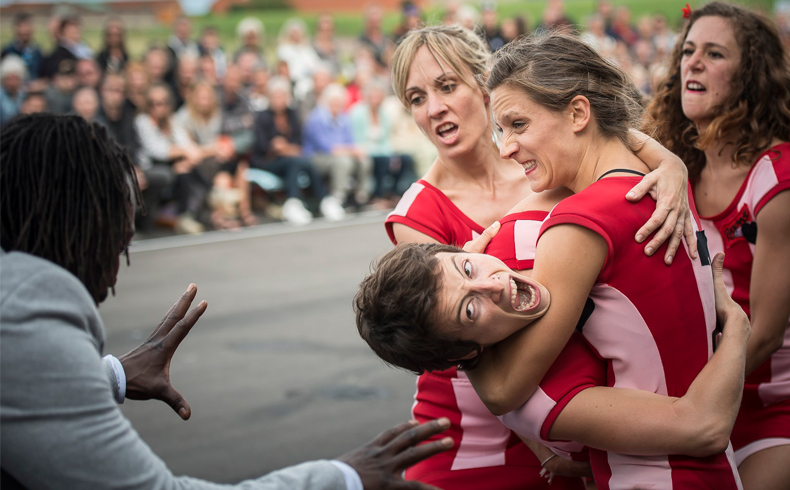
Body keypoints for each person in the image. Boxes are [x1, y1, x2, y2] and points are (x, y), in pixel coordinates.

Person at [0, 113, 453, 490]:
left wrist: (111, 374)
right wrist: (344, 476)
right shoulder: (25, 314)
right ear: (78, 222)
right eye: (120, 228)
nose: (125, 248)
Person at [383, 24, 695, 490]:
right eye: (416, 98)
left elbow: (600, 132)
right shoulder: (419, 214)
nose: (435, 108)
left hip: (569, 412)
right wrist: (548, 445)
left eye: (447, 86)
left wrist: (671, 164)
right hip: (485, 430)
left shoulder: (539, 156)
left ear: (484, 84)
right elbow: (458, 344)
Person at [460, 31, 741, 488]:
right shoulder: (665, 183)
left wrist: (454, 339)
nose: (506, 147)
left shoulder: (579, 222)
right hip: (712, 471)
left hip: (650, 473)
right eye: (500, 130)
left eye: (517, 125)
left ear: (576, 113)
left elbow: (505, 387)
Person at [354, 231, 749, 482]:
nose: (491, 285)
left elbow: (596, 149)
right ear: (465, 350)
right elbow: (703, 428)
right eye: (470, 310)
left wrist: (667, 165)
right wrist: (737, 329)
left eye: (468, 265)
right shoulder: (541, 401)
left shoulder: (515, 232)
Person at [647, 3, 790, 488]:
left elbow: (765, 332)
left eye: (714, 53)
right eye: (688, 51)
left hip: (770, 411)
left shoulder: (777, 179)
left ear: (751, 77)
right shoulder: (674, 169)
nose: (693, 62)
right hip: (691, 402)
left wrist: (684, 404)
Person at [251, 76, 341, 225]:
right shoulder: (263, 117)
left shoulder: (292, 114)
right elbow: (264, 146)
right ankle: (293, 202)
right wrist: (284, 149)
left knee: (307, 162)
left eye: (282, 96)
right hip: (267, 161)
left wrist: (284, 148)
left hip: (292, 159)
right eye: (276, 96)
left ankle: (324, 200)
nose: (279, 99)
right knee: (295, 162)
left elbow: (299, 143)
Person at [303, 83, 372, 207]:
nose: (336, 106)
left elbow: (350, 142)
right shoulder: (316, 119)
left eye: (339, 103)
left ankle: (361, 196)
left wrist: (355, 151)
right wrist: (352, 151)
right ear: (326, 102)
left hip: (341, 155)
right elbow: (329, 148)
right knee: (344, 161)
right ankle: (337, 198)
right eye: (333, 102)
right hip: (317, 157)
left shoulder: (344, 118)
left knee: (363, 160)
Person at [1, 12, 43, 80]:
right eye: (22, 26)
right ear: (16, 28)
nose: (25, 30)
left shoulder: (38, 52)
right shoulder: (8, 51)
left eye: (28, 26)